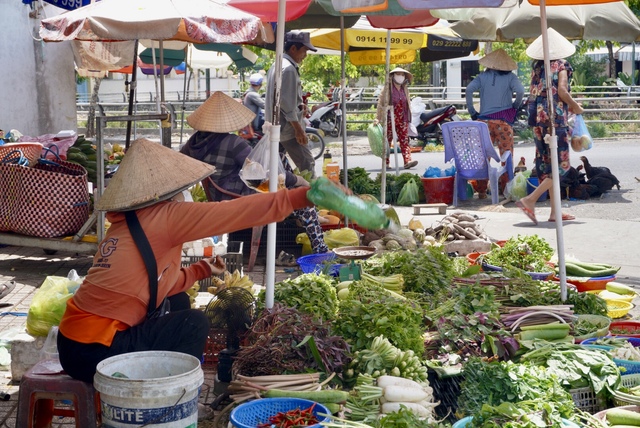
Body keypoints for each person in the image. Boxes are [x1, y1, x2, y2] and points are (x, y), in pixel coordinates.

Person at [57, 137, 318, 384]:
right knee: (193, 323)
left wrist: (203, 269)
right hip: (98, 349)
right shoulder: (166, 215)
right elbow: (234, 213)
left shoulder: (127, 223)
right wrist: (301, 197)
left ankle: (162, 381)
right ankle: (174, 397)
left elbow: (162, 285)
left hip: (71, 345)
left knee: (178, 300)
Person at [180, 91, 329, 262]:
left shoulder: (194, 142)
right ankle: (320, 248)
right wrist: (297, 180)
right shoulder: (233, 143)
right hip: (237, 197)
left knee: (280, 160)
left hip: (217, 193)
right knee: (303, 203)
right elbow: (265, 171)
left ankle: (305, 216)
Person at [515, 28, 583, 224]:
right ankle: (530, 199)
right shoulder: (562, 65)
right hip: (555, 120)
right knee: (561, 167)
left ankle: (555, 212)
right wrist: (576, 106)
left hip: (538, 121)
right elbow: (561, 90)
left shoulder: (537, 67)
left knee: (547, 166)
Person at [465, 49, 525, 199]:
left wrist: (472, 111)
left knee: (482, 157)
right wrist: (515, 106)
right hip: (503, 123)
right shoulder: (511, 77)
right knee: (506, 155)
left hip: (483, 123)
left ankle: (482, 191)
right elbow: (521, 91)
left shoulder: (482, 76)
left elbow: (468, 90)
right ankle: (506, 190)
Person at [265, 30, 317, 178]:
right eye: (304, 50)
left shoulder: (277, 64)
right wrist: (298, 130)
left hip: (277, 127)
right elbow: (286, 105)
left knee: (279, 170)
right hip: (288, 130)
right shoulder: (288, 69)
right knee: (307, 166)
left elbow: (283, 98)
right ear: (293, 48)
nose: (305, 55)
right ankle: (311, 200)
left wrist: (300, 106)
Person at [375, 67, 418, 170]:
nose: (400, 77)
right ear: (393, 76)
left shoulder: (405, 89)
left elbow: (407, 103)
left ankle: (407, 161)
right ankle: (386, 162)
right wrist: (378, 118)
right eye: (398, 74)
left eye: (402, 75)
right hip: (390, 118)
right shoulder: (387, 89)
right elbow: (381, 103)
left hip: (402, 117)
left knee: (404, 140)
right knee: (387, 140)